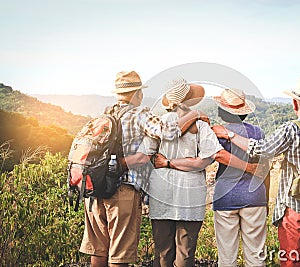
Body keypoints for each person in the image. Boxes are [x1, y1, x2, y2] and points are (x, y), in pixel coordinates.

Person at [79, 71, 209, 267]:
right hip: (122, 189)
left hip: (94, 189)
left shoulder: (105, 114)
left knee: (98, 250)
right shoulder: (140, 114)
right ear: (137, 93)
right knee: (119, 253)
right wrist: (195, 114)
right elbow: (169, 132)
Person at [212, 77, 300, 267]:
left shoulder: (291, 129)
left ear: (294, 102)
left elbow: (261, 150)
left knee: (293, 262)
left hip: (296, 210)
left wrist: (229, 134)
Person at [128, 78, 262, 267]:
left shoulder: (159, 124)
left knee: (162, 252)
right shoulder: (201, 125)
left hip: (161, 192)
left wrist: (164, 162)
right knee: (185, 252)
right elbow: (206, 160)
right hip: (190, 195)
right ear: (190, 99)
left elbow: (145, 155)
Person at [212, 88, 269, 267]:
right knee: (256, 255)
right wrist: (265, 198)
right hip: (255, 196)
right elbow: (265, 167)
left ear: (222, 111)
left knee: (227, 257)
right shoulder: (258, 133)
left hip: (225, 197)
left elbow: (215, 157)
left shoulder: (217, 132)